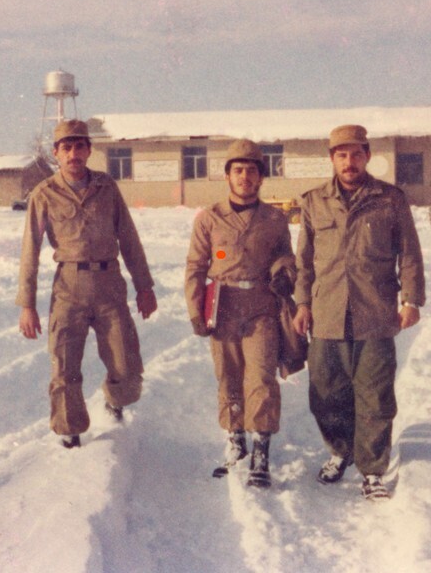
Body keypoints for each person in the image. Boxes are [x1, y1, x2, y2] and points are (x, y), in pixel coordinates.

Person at [292, 124, 425, 501]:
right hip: (327, 311)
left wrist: (411, 299)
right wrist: (302, 303)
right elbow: (304, 261)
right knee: (325, 392)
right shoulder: (314, 201)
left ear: (367, 156)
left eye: (355, 154)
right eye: (341, 155)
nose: (348, 162)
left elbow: (409, 253)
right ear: (332, 159)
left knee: (375, 395)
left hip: (375, 311)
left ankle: (373, 469)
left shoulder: (390, 199)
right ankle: (341, 450)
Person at [16, 119, 158, 449]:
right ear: (56, 153)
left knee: (126, 367)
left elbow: (129, 238)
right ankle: (70, 433)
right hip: (69, 286)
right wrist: (27, 305)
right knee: (65, 365)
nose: (73, 154)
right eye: (66, 148)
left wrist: (144, 286)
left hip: (109, 285)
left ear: (89, 150)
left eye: (79, 146)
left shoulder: (107, 187)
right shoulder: (44, 194)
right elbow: (29, 251)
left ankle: (114, 401)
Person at [185, 139, 296, 488]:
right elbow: (196, 266)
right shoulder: (209, 219)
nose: (244, 177)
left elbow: (285, 256)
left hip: (261, 307)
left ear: (261, 177)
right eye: (238, 170)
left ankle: (261, 449)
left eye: (251, 171)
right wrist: (195, 310)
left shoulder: (274, 219)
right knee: (228, 377)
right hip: (223, 307)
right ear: (227, 176)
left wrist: (283, 272)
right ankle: (236, 443)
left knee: (261, 378)